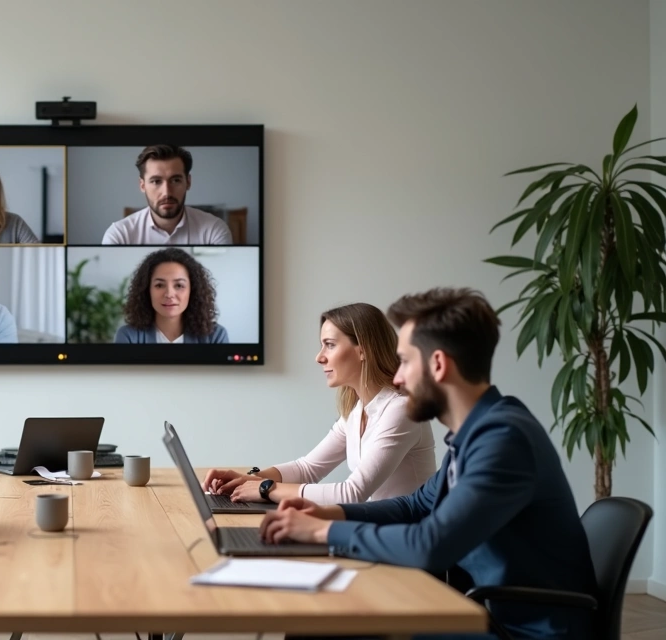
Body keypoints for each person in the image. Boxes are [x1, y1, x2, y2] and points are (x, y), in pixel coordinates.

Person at [260, 288, 597, 640]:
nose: (398, 378)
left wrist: (322, 532)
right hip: (488, 612)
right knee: (321, 624)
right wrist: (334, 514)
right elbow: (416, 503)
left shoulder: (504, 441)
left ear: (438, 364)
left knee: (328, 625)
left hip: (524, 631)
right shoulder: (478, 432)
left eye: (404, 361)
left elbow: (430, 545)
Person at [201, 303, 435, 504]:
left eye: (330, 344)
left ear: (363, 351)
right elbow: (307, 468)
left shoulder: (400, 410)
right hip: (382, 531)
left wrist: (267, 489)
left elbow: (351, 494)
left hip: (412, 540)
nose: (319, 356)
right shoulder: (356, 412)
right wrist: (249, 478)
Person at [101, 144, 233, 245]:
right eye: (156, 181)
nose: (167, 192)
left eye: (175, 180)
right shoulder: (119, 235)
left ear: (188, 182)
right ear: (142, 185)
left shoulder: (214, 230)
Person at [114, 247, 228, 343]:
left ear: (192, 290)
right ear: (147, 290)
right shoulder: (128, 336)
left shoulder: (216, 336)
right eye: (159, 285)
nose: (169, 294)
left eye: (179, 285)